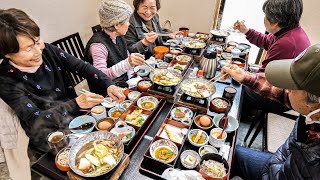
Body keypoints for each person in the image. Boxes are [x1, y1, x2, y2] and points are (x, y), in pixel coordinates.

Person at [0, 8, 126, 152]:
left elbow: (83, 67)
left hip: (76, 117)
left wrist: (108, 85)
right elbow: (36, 119)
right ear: (8, 54)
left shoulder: (48, 50)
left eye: (37, 41)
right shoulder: (5, 79)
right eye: (29, 49)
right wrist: (76, 103)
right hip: (49, 136)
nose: (38, 51)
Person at [221, 44, 320, 179]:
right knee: (230, 154)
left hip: (281, 174)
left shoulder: (315, 164)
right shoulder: (311, 108)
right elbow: (282, 93)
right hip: (280, 161)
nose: (286, 89)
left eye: (292, 87)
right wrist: (245, 77)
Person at [233, 0, 310, 115]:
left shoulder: (287, 44)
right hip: (281, 84)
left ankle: (239, 116)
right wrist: (246, 30)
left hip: (285, 98)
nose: (264, 18)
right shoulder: (289, 30)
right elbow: (266, 41)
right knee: (241, 79)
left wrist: (243, 76)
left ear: (275, 23)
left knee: (239, 88)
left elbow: (263, 79)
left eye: (266, 16)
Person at [84, 0, 145, 93]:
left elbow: (125, 54)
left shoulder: (117, 35)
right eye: (127, 20)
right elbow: (101, 76)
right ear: (116, 25)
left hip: (124, 82)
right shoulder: (98, 46)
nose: (129, 24)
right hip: (107, 93)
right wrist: (127, 63)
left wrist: (132, 74)